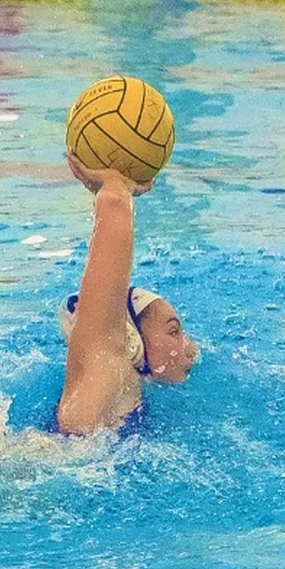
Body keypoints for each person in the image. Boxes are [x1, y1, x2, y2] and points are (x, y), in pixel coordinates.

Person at [56, 154, 197, 435]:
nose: (191, 349)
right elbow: (106, 287)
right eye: (173, 332)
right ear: (130, 339)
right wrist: (116, 189)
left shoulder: (125, 395)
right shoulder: (109, 370)